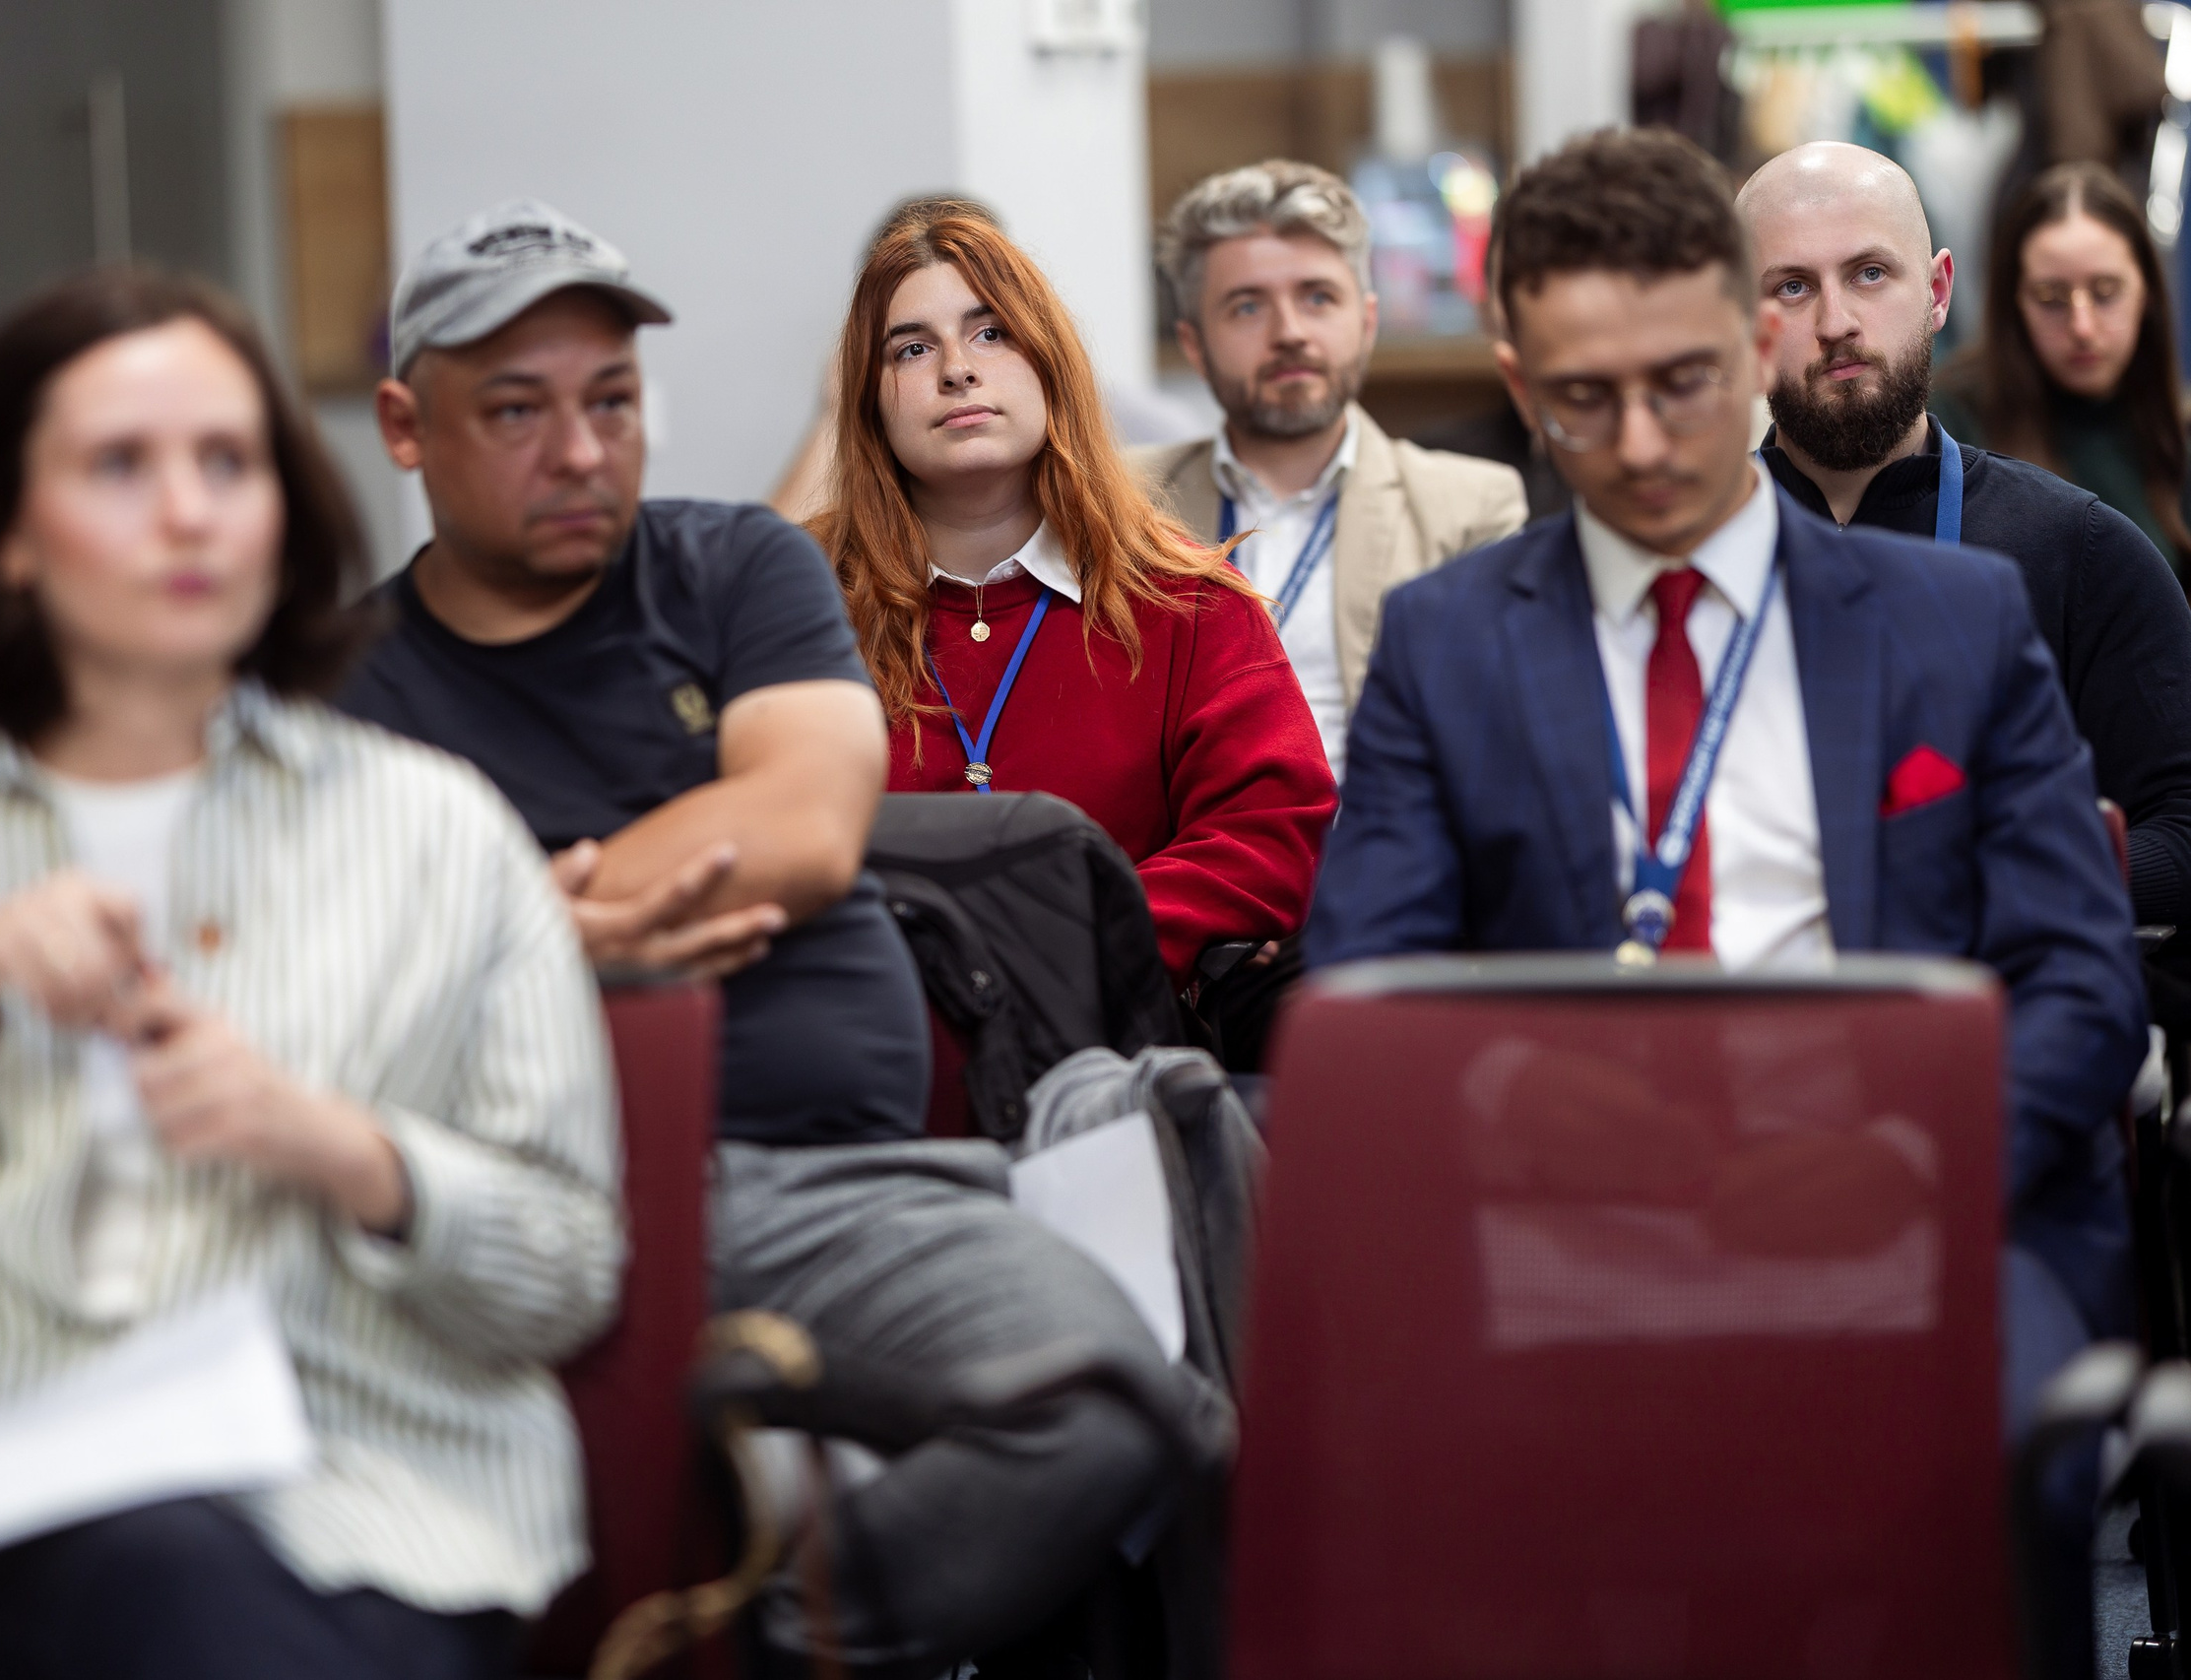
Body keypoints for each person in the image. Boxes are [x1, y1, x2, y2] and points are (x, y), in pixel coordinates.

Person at [0, 271, 621, 1680]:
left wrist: (339, 1147)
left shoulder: (436, 832)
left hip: (350, 1500)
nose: (189, 511)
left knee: (161, 1579)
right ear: (2, 532)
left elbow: (565, 1275)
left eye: (229, 462)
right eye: (121, 464)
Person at [340, 200, 1198, 1675]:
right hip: (520, 1200)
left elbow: (801, 824)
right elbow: (356, 980)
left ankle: (750, 1640)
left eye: (613, 401)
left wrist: (516, 922)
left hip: (833, 1188)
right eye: (519, 410)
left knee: (1107, 1399)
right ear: (407, 428)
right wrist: (610, 905)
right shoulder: (344, 683)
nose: (581, 449)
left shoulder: (736, 565)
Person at [1305, 119, 2140, 1474]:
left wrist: (1908, 1154)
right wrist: (1511, 1091)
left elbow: (2082, 979)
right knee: (1417, 1458)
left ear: (1756, 349)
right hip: (1563, 1210)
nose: (1641, 444)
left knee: (1972, 1458)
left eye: (1683, 383)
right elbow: (1362, 982)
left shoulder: (1956, 621)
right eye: (1585, 398)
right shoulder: (1449, 642)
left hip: (1914, 1189)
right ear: (1520, 384)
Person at [809, 200, 1335, 1065]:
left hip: (1107, 1048)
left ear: (1049, 363)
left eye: (991, 334)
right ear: (870, 401)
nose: (957, 371)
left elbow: (1266, 834)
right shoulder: (800, 606)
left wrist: (1075, 944)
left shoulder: (1190, 600)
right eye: (912, 349)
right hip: (867, 1052)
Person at [1733, 141, 2191, 934]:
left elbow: (2182, 830)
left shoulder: (2081, 552)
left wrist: (2003, 880)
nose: (1837, 323)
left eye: (1869, 273)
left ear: (1938, 291)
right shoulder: (1682, 558)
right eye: (1793, 287)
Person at [1131, 159, 1528, 781]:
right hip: (1191, 833)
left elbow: (1488, 741)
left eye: (1318, 298)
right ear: (1194, 346)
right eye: (1246, 307)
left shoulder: (1469, 508)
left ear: (1367, 323)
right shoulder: (1124, 501)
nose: (1290, 333)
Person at [1935, 160, 2191, 578]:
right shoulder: (1949, 428)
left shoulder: (2175, 433)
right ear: (2015, 302)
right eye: (2050, 297)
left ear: (2146, 293)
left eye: (2106, 292)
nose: (2082, 328)